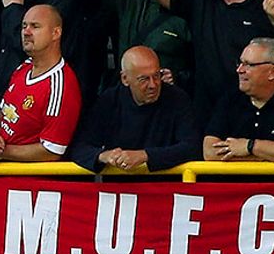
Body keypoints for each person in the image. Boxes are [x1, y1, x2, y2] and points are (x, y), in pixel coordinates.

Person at [0, 2, 82, 173]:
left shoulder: (61, 84)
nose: (26, 32)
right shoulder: (23, 68)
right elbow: (2, 114)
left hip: (26, 182)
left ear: (56, 33)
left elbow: (52, 150)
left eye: (35, 26)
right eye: (24, 26)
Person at [68, 45, 200, 172]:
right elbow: (80, 147)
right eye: (144, 79)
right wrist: (104, 156)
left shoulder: (177, 98)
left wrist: (145, 156)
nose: (153, 85)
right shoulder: (109, 101)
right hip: (120, 189)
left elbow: (191, 147)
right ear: (125, 79)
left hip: (164, 187)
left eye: (156, 76)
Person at [201, 38, 274, 162]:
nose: (240, 70)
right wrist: (266, 156)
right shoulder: (230, 98)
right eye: (240, 63)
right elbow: (209, 151)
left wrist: (250, 146)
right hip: (235, 181)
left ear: (273, 72)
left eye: (249, 64)